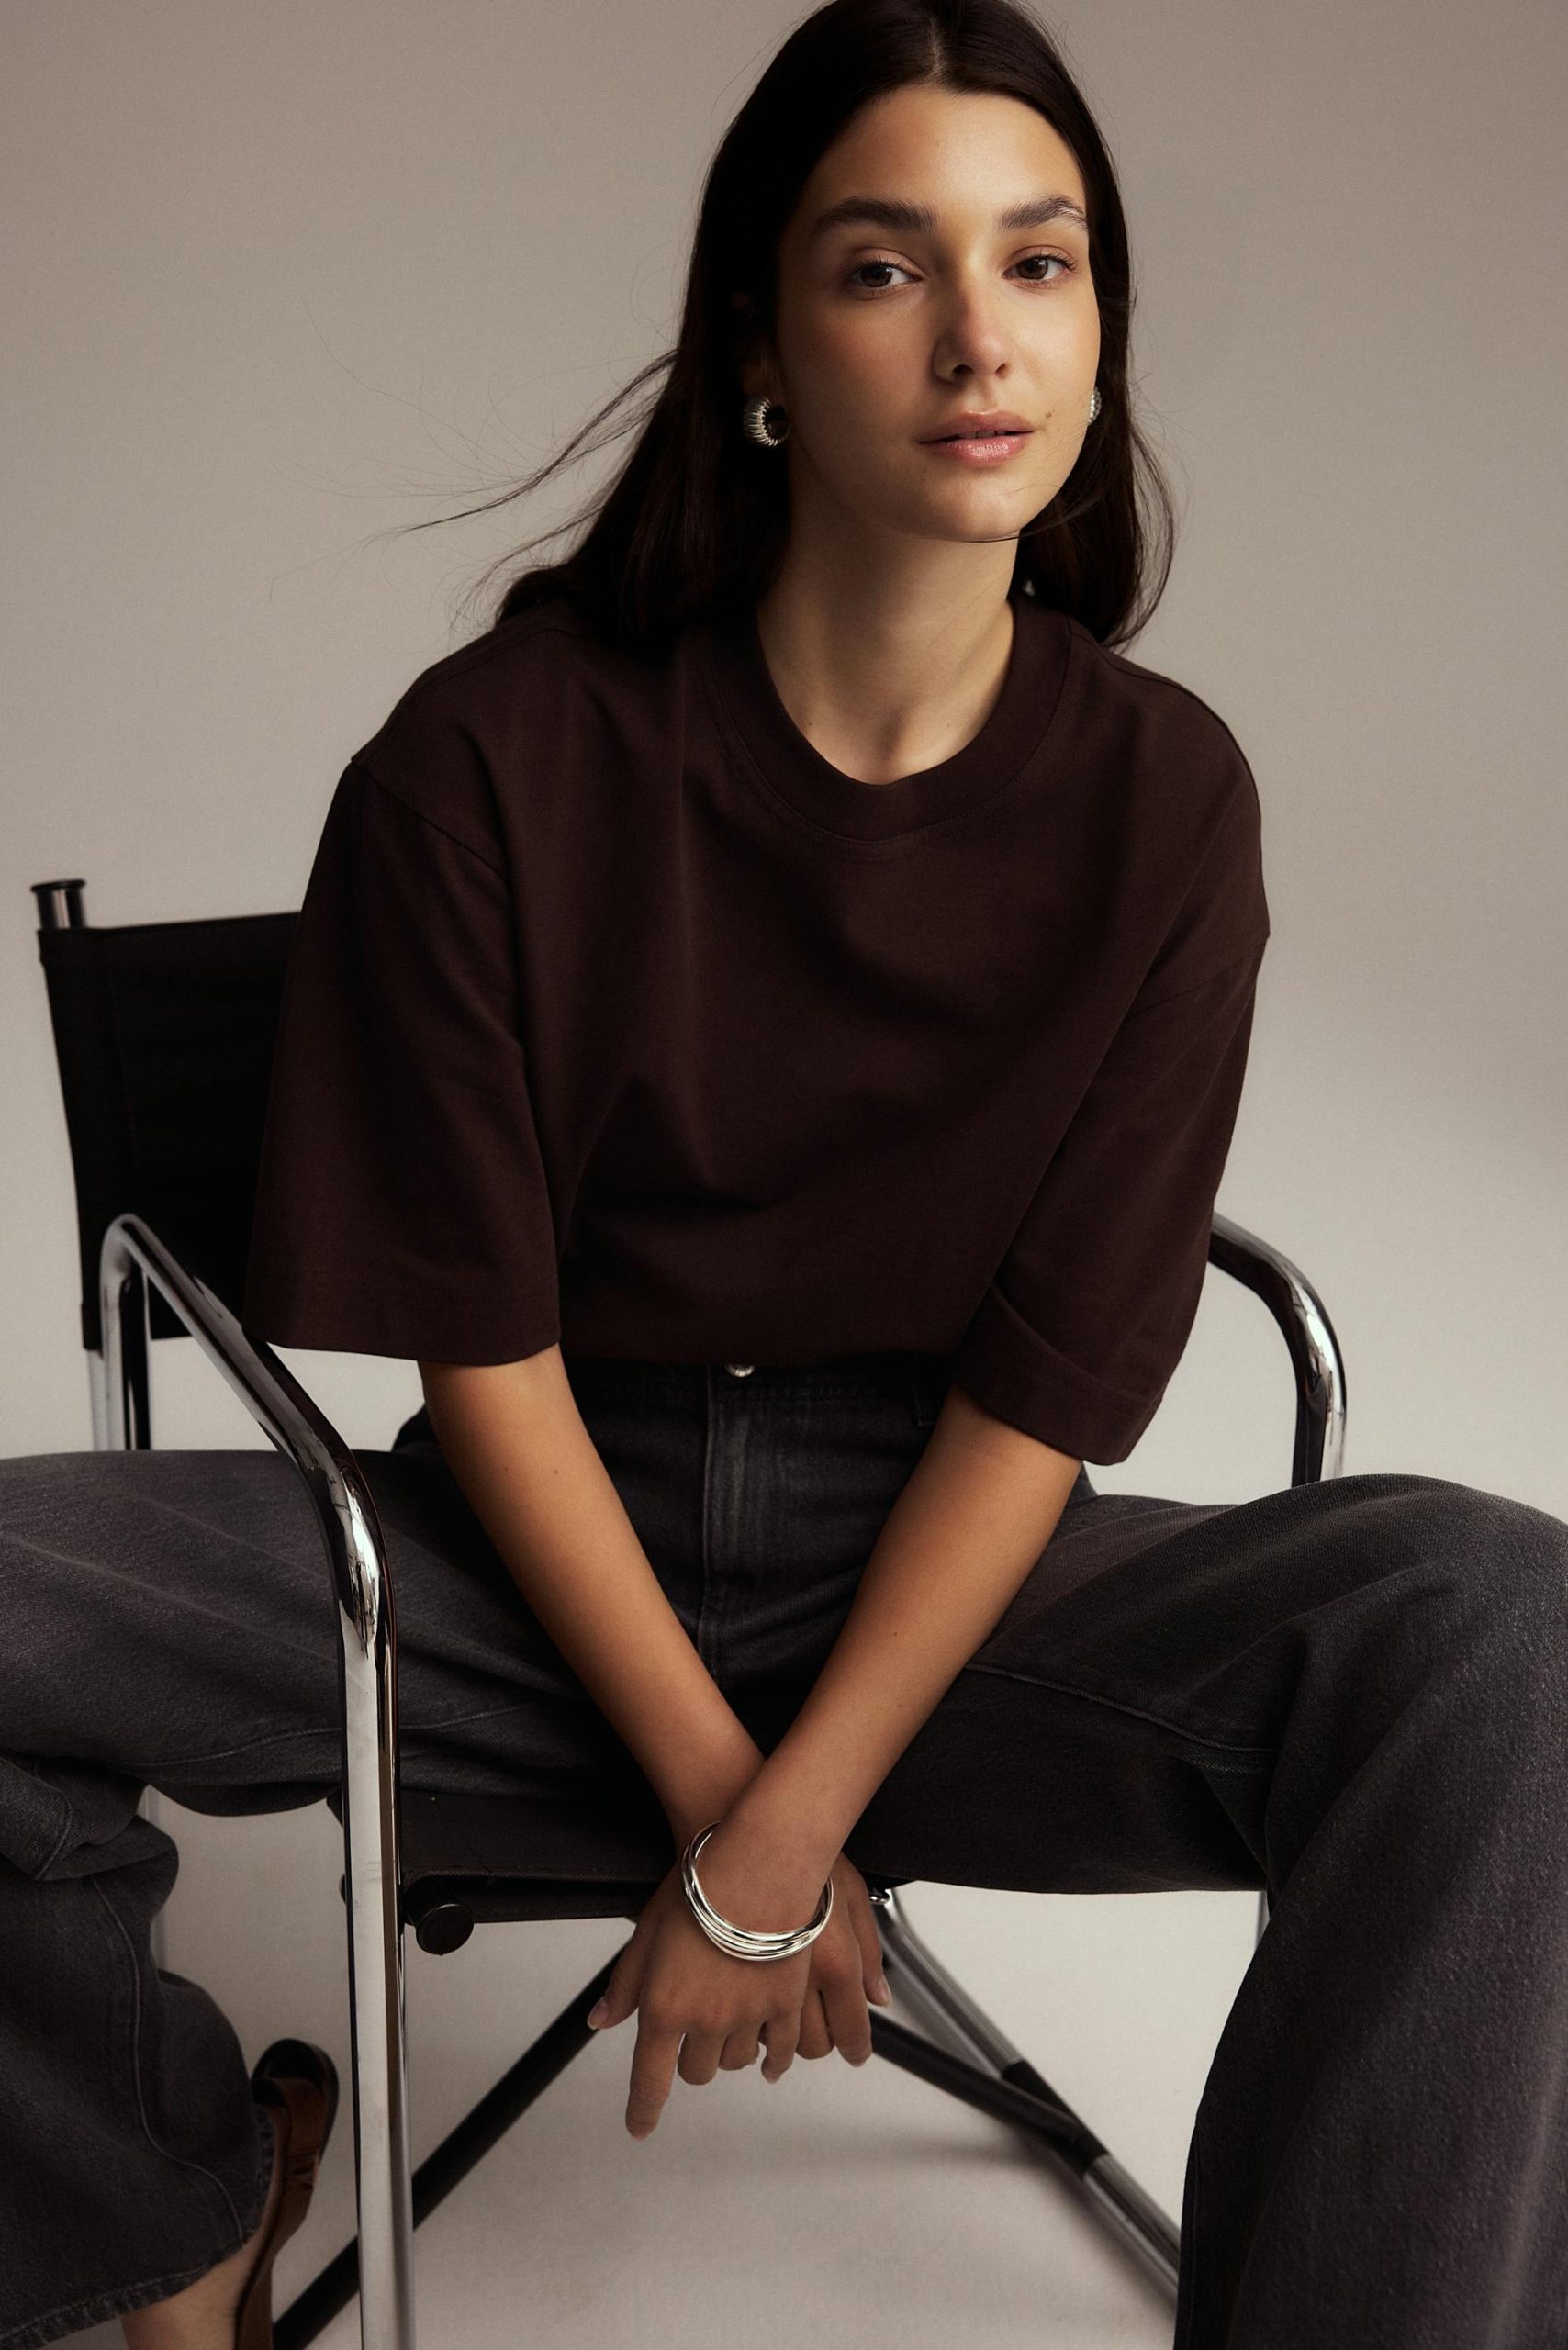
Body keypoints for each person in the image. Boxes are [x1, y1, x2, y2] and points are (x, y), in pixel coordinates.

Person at [4, 4, 1566, 2345]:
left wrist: (781, 1825)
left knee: (1505, 1627)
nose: (977, 338)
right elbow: (487, 1354)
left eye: (1037, 261)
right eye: (881, 266)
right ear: (755, 342)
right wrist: (728, 1811)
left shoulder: (1166, 800)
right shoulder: (490, 757)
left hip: (950, 1590)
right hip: (512, 1568)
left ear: (1098, 329)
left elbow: (1040, 1392)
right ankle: (167, 2217)